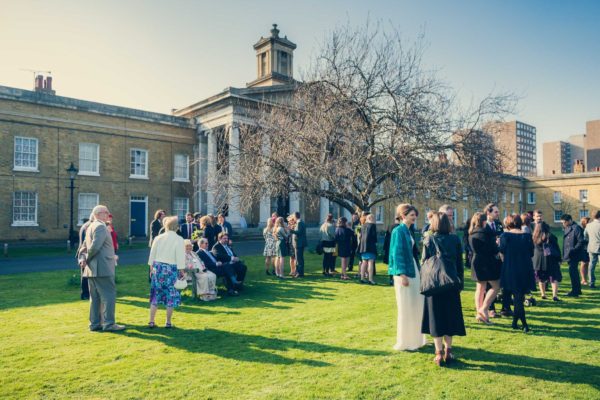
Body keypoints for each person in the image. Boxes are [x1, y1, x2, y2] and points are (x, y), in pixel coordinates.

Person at [421, 212, 466, 366]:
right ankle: (449, 350)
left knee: (436, 318)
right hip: (451, 282)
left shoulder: (429, 239)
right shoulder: (454, 239)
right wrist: (460, 283)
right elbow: (460, 263)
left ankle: (438, 352)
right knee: (449, 317)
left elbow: (424, 262)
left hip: (434, 284)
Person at [79, 205, 125, 332]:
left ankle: (94, 324)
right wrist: (86, 258)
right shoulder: (100, 226)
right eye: (106, 212)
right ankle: (109, 324)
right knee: (109, 295)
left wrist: (83, 259)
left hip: (93, 269)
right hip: (102, 268)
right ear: (98, 214)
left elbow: (83, 247)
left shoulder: (90, 227)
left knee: (95, 298)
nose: (108, 215)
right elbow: (94, 247)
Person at [388, 204, 427, 352]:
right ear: (403, 216)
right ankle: (406, 342)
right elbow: (396, 254)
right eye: (411, 215)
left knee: (416, 305)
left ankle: (417, 339)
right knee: (407, 307)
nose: (414, 217)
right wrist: (402, 275)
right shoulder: (398, 231)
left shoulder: (409, 231)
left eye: (415, 215)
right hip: (405, 273)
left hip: (413, 270)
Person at [147, 216, 186, 328]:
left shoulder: (158, 238)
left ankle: (151, 321)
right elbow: (180, 257)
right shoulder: (179, 239)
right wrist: (182, 271)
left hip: (158, 268)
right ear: (177, 227)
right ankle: (168, 322)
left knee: (155, 295)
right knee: (171, 296)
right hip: (171, 270)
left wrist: (151, 269)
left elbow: (152, 255)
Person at [499, 214, 535, 333]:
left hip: (511, 268)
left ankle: (524, 324)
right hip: (525, 268)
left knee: (518, 298)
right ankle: (515, 323)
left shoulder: (505, 236)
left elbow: (502, 252)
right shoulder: (527, 236)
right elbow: (531, 253)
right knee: (519, 297)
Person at [468, 212, 501, 324]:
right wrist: (497, 244)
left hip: (476, 261)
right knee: (496, 286)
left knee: (480, 288)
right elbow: (494, 250)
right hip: (487, 262)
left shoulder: (471, 232)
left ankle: (480, 314)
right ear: (483, 221)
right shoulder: (486, 234)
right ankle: (483, 309)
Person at [532, 222, 562, 301]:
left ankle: (543, 294)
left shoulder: (534, 237)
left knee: (541, 278)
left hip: (539, 261)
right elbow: (556, 248)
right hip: (550, 259)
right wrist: (559, 259)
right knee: (553, 278)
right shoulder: (551, 236)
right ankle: (554, 295)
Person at [561, 214, 585, 297]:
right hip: (569, 254)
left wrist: (573, 250)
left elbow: (581, 241)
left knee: (573, 272)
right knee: (573, 272)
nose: (563, 224)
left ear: (570, 220)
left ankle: (575, 291)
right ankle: (577, 290)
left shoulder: (576, 228)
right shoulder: (567, 227)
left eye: (564, 222)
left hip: (574, 254)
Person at [76, 216, 93, 300]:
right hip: (84, 253)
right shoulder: (88, 227)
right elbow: (85, 243)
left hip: (83, 253)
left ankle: (85, 293)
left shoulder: (85, 226)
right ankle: (85, 294)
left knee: (84, 275)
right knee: (85, 275)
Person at [359, 213, 378, 284]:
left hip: (363, 246)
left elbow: (361, 236)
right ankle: (370, 279)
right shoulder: (373, 225)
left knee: (364, 262)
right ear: (372, 218)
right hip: (370, 245)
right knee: (370, 262)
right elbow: (374, 236)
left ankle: (362, 278)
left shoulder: (363, 225)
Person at [584, 211, 600, 289]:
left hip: (591, 247)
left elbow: (585, 236)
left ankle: (591, 282)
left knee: (591, 266)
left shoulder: (588, 225)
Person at [289, 211, 307, 278]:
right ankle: (298, 272)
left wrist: (291, 230)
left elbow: (299, 232)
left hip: (299, 243)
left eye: (293, 216)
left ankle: (300, 273)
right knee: (298, 259)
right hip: (298, 243)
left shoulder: (300, 223)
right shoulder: (299, 222)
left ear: (295, 216)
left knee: (299, 259)